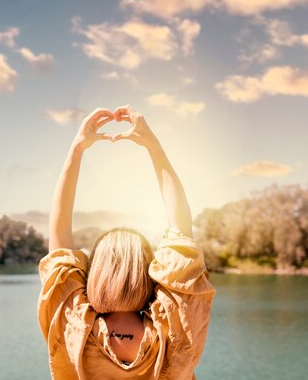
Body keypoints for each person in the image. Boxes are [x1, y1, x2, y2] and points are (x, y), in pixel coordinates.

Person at [37, 105, 215, 380]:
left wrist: (78, 148)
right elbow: (181, 225)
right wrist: (152, 146)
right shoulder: (175, 330)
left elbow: (59, 237)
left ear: (95, 273)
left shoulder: (73, 329)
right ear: (148, 273)